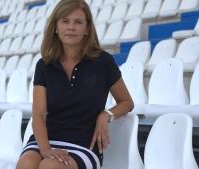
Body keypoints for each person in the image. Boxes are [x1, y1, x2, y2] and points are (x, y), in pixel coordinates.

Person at [16, 0, 133, 169]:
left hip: (84, 143)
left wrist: (106, 114)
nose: (71, 27)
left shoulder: (103, 61)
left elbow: (127, 102)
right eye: (65, 21)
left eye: (78, 22)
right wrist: (46, 149)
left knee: (50, 166)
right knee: (25, 164)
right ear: (55, 27)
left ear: (87, 29)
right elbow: (39, 114)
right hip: (46, 138)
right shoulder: (45, 64)